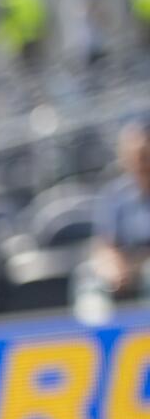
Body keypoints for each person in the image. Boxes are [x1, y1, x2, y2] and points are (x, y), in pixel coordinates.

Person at [88, 119, 150, 299]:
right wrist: (112, 265)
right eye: (137, 157)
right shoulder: (114, 195)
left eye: (145, 155)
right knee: (90, 282)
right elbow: (105, 244)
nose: (142, 163)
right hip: (126, 267)